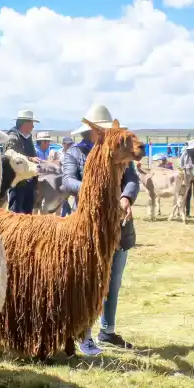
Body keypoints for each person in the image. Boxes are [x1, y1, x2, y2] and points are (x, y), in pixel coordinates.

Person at [61, 104, 140, 356]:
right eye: (103, 130)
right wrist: (95, 188)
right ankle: (82, 333)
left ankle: (107, 330)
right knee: (84, 281)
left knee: (112, 281)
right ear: (92, 131)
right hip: (86, 225)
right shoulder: (75, 153)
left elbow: (132, 179)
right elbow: (67, 180)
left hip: (117, 225)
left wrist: (126, 197)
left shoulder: (120, 150)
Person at [4, 109, 40, 214]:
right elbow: (11, 157)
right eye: (31, 123)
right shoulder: (12, 137)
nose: (33, 126)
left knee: (27, 213)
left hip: (29, 181)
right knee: (15, 212)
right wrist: (30, 159)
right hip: (17, 182)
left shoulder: (27, 138)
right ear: (25, 123)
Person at [180, 140, 194, 218]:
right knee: (187, 194)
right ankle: (187, 213)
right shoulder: (185, 154)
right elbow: (181, 165)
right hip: (187, 176)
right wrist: (187, 167)